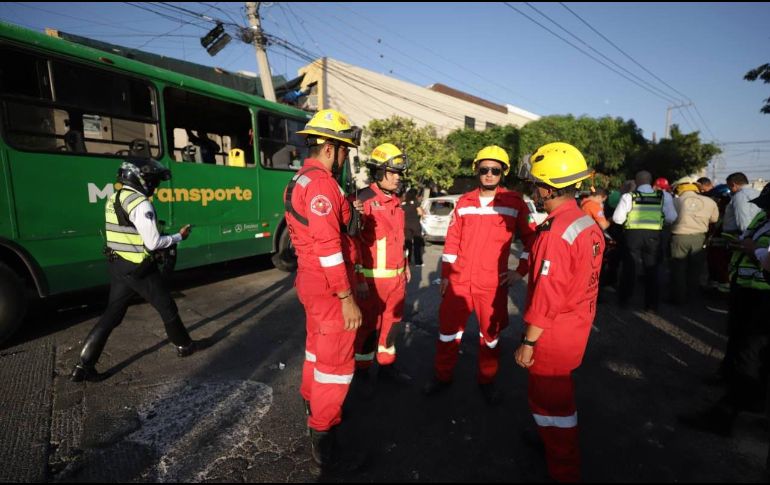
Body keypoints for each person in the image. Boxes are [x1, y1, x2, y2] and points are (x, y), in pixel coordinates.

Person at [514, 142, 605, 483]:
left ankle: (564, 466)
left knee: (552, 404)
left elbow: (548, 295)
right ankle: (550, 442)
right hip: (576, 323)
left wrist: (529, 342)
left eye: (535, 183)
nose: (532, 190)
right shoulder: (585, 221)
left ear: (548, 188)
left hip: (553, 333)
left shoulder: (556, 233)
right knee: (555, 402)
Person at [70, 158, 201, 382]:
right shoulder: (140, 203)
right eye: (153, 181)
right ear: (140, 179)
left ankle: (83, 366)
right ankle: (184, 345)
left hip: (117, 264)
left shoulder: (115, 197)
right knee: (167, 307)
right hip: (139, 268)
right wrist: (180, 237)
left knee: (113, 314)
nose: (154, 186)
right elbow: (153, 243)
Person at [423, 145, 536, 405]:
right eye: (484, 169)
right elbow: (452, 242)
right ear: (477, 170)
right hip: (460, 283)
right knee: (448, 333)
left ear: (503, 173)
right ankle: (442, 376)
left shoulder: (514, 202)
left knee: (491, 338)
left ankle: (487, 380)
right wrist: (446, 276)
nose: (489, 174)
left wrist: (520, 271)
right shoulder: (464, 202)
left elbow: (532, 240)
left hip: (492, 285)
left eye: (495, 170)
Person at [284, 109, 363, 469]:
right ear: (331, 148)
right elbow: (330, 247)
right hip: (330, 288)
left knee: (316, 351)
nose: (345, 157)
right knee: (335, 365)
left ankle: (310, 407)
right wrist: (347, 299)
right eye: (345, 149)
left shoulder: (302, 179)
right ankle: (325, 444)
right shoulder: (321, 185)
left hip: (310, 282)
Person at [679, 183, 770, 437]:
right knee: (742, 346)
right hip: (747, 288)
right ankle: (750, 398)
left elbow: (761, 252)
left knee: (750, 357)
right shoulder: (763, 217)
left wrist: (755, 250)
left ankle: (725, 414)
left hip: (762, 294)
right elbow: (748, 237)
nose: (765, 211)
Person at [352, 143, 412, 388]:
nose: (397, 178)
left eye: (399, 173)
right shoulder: (362, 200)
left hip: (396, 281)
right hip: (371, 282)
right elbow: (352, 244)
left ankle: (387, 368)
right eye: (392, 172)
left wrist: (405, 265)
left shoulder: (395, 202)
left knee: (392, 326)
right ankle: (362, 374)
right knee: (367, 329)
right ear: (378, 172)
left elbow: (398, 239)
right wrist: (358, 280)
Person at [612, 170, 677, 311]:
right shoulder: (663, 196)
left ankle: (624, 300)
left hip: (632, 236)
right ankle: (651, 305)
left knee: (629, 268)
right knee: (652, 269)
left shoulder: (629, 197)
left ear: (636, 181)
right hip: (654, 236)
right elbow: (672, 217)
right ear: (650, 181)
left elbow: (618, 219)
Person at [668, 177, 719, 304]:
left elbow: (668, 219)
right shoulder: (709, 201)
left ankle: (678, 299)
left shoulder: (675, 201)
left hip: (679, 237)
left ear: (679, 187)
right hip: (699, 238)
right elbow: (714, 219)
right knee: (695, 270)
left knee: (678, 269)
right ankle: (692, 298)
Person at [402, 188, 425, 267]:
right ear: (415, 195)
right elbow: (420, 213)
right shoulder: (416, 202)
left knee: (407, 243)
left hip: (406, 225)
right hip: (415, 225)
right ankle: (418, 262)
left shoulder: (403, 203)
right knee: (417, 244)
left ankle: (407, 261)